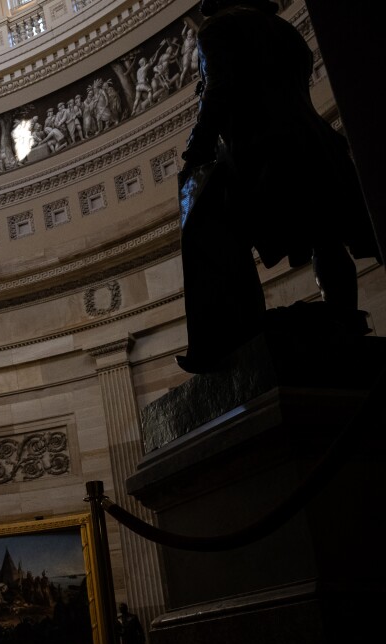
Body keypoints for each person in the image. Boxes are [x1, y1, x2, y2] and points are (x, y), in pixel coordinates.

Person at [175, 0, 380, 373]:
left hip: (264, 152)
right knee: (327, 238)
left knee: (215, 231)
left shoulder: (216, 30)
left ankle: (232, 335)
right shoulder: (282, 28)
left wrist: (197, 145)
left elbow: (220, 89)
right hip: (315, 141)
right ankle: (343, 319)